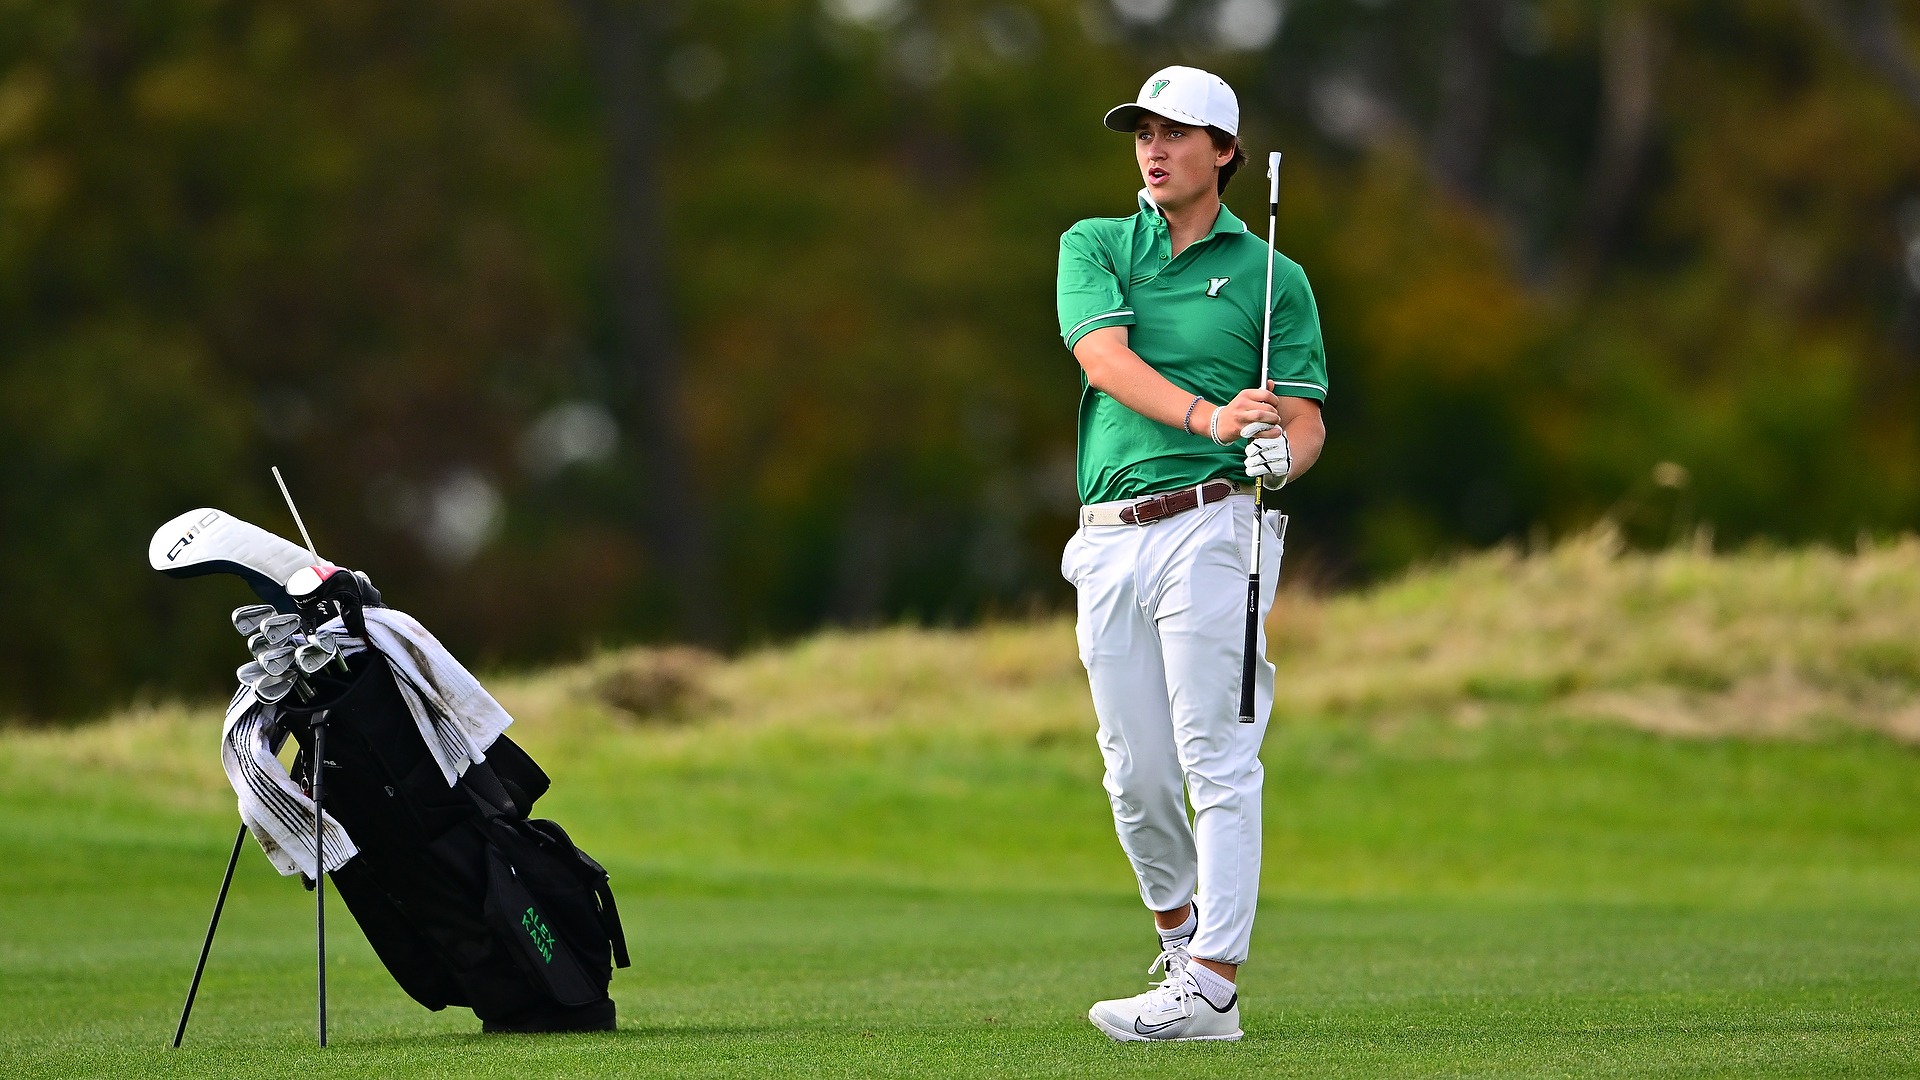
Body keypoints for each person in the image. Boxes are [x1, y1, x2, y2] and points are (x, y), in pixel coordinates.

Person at [1056, 64, 1328, 1042]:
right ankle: (1179, 939)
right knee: (1132, 769)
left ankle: (1212, 984)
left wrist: (1277, 455)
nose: (1155, 150)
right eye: (1143, 134)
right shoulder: (1094, 244)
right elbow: (1105, 359)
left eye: (1177, 133)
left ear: (1225, 152)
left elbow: (1301, 421)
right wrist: (1213, 415)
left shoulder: (1271, 277)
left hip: (1216, 526)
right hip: (1108, 532)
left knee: (1218, 755)